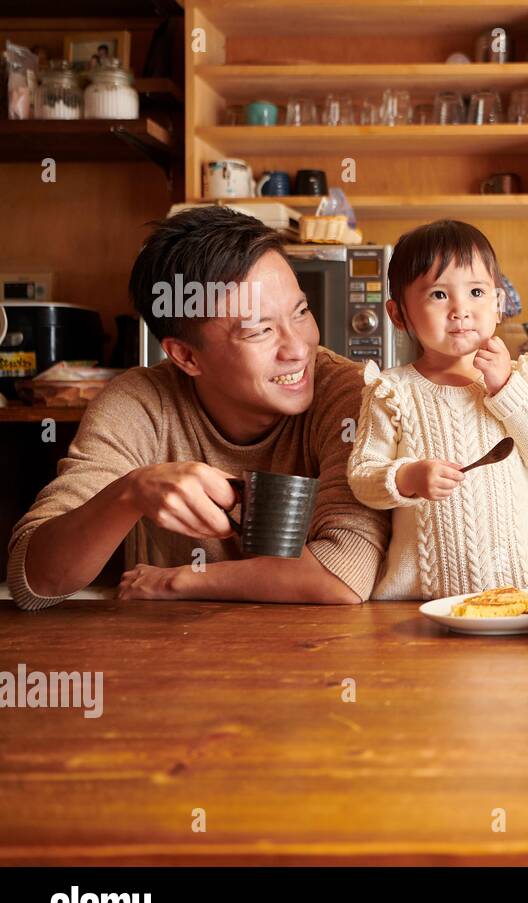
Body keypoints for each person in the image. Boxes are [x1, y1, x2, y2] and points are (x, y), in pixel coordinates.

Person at [7, 206, 389, 610]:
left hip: (325, 657)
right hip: (175, 657)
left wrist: (179, 581)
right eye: (260, 331)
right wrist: (129, 492)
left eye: (301, 312)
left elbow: (343, 575)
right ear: (186, 356)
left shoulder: (349, 392)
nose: (298, 348)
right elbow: (35, 583)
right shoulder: (140, 404)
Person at [346, 219, 528, 599]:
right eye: (437, 295)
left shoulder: (519, 379)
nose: (460, 310)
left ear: (498, 304)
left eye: (477, 291)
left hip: (523, 595)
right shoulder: (391, 391)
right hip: (421, 601)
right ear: (399, 315)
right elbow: (362, 476)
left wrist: (506, 389)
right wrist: (408, 477)